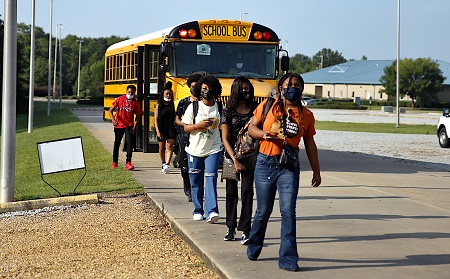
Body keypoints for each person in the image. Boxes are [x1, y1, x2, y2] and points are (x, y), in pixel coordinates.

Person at [246, 73, 321, 271]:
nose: (292, 88)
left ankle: (288, 259)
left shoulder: (306, 115)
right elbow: (251, 128)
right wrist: (264, 134)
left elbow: (310, 144)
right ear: (281, 88)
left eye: (296, 85)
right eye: (289, 84)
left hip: (289, 166)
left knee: (288, 212)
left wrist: (316, 171)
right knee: (263, 211)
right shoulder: (268, 106)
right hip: (265, 162)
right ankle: (254, 245)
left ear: (302, 89)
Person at [182, 75, 223, 223]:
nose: (207, 91)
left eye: (210, 88)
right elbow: (186, 128)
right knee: (196, 180)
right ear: (199, 90)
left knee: (211, 177)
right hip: (194, 149)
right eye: (204, 88)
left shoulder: (219, 107)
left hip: (214, 148)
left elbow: (224, 129)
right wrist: (197, 126)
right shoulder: (193, 107)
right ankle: (198, 209)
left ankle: (212, 210)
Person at [221, 76, 257, 244]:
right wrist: (234, 159)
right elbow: (224, 138)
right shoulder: (228, 110)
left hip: (249, 157)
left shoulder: (255, 108)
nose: (245, 91)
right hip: (230, 158)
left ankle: (246, 229)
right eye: (242, 88)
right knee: (231, 193)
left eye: (247, 88)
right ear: (235, 90)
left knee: (247, 193)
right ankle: (230, 228)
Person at [175, 73, 203, 201]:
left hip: (199, 137)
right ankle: (187, 184)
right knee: (184, 164)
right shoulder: (183, 102)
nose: (194, 88)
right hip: (185, 136)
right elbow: (177, 119)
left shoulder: (204, 103)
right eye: (192, 86)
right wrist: (187, 124)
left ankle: (195, 190)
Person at [109, 84, 142, 170]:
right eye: (129, 92)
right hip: (119, 125)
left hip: (129, 125)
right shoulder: (120, 99)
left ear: (134, 93)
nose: (130, 94)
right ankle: (115, 161)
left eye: (132, 93)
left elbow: (138, 115)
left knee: (129, 143)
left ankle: (128, 162)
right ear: (126, 92)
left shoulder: (135, 102)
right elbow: (110, 110)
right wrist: (113, 120)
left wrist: (135, 126)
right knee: (117, 143)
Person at [155, 82, 176, 174]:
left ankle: (167, 164)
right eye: (167, 94)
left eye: (170, 94)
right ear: (163, 94)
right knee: (161, 147)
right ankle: (163, 162)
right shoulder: (159, 106)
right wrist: (158, 131)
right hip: (161, 127)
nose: (168, 96)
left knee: (169, 146)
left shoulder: (172, 105)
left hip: (170, 127)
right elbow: (155, 119)